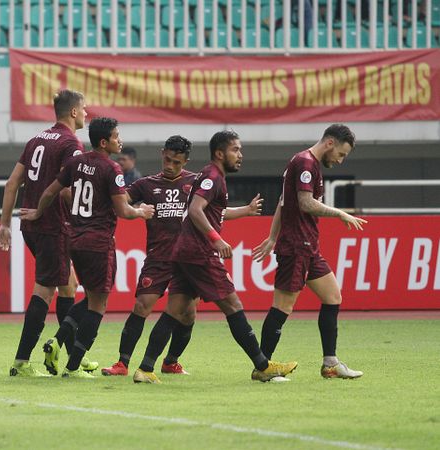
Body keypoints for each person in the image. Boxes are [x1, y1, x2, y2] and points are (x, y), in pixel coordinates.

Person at [133, 130, 297, 384]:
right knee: (233, 306)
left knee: (174, 311)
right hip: (198, 253)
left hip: (184, 252)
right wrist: (216, 239)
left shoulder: (211, 176)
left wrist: (243, 212)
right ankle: (262, 366)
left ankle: (144, 369)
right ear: (220, 153)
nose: (240, 155)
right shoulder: (212, 176)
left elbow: (207, 212)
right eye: (236, 150)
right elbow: (195, 210)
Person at [21, 117, 155, 378]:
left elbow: (51, 192)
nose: (121, 140)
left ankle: (57, 341)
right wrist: (141, 212)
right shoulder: (112, 168)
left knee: (89, 298)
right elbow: (122, 210)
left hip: (74, 240)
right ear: (104, 142)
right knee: (98, 305)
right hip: (99, 242)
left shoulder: (75, 162)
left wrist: (38, 212)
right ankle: (72, 367)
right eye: (117, 136)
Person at [252, 124, 367, 379]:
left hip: (308, 246)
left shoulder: (304, 162)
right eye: (341, 153)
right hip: (296, 246)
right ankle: (263, 367)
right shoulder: (305, 164)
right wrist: (338, 212)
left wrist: (272, 237)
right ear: (330, 143)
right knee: (283, 306)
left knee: (332, 296)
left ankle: (330, 364)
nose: (340, 160)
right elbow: (304, 203)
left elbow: (283, 204)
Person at [0, 89, 97, 377]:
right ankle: (21, 362)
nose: (87, 114)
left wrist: (5, 223)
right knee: (45, 290)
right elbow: (67, 190)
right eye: (85, 109)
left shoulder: (36, 140)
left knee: (69, 286)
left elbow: (12, 183)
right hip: (53, 226)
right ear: (74, 112)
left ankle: (69, 359)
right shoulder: (70, 144)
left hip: (30, 225)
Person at [101, 135, 197, 376]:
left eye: (177, 162)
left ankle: (170, 362)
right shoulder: (145, 184)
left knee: (188, 314)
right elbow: (119, 203)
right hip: (158, 258)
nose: (170, 165)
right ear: (162, 153)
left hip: (187, 261)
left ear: (185, 160)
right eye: (167, 159)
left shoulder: (197, 183)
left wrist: (245, 211)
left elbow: (217, 211)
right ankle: (122, 364)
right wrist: (137, 210)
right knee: (142, 306)